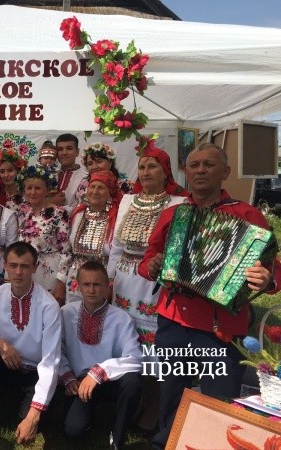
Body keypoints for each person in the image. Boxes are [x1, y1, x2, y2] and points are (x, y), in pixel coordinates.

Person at [137, 143, 281, 449]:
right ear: (186, 172)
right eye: (194, 165)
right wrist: (151, 266)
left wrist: (268, 280)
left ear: (225, 172)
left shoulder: (247, 214)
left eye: (209, 165)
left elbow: (273, 268)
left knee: (218, 398)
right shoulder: (174, 214)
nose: (200, 170)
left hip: (221, 328)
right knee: (171, 392)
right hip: (173, 321)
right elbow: (149, 257)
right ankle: (168, 443)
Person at [107, 146, 187, 432]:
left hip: (155, 283)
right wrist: (109, 279)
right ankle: (132, 397)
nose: (145, 172)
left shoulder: (179, 202)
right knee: (127, 340)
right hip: (124, 280)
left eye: (153, 166)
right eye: (142, 167)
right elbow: (117, 246)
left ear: (166, 172)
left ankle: (154, 404)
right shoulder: (128, 200)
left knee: (154, 345)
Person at [0, 242, 62, 449]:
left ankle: (31, 409)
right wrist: (0, 344)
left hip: (35, 374)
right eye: (13, 265)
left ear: (35, 267)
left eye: (25, 266)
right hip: (7, 365)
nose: (18, 272)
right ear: (5, 266)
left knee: (31, 421)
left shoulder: (49, 305)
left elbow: (51, 361)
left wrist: (34, 415)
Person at [60, 261, 142, 449]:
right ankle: (88, 415)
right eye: (86, 284)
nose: (91, 290)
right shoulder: (65, 313)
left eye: (97, 284)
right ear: (77, 286)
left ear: (107, 286)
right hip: (80, 382)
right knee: (74, 430)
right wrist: (67, 377)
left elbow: (135, 359)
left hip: (111, 380)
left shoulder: (121, 318)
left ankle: (118, 436)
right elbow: (58, 350)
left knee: (132, 382)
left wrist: (99, 372)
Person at [58, 170, 121, 304]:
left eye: (101, 188)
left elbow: (117, 255)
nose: (95, 191)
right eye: (92, 186)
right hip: (75, 281)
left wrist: (110, 284)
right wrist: (61, 280)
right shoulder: (77, 214)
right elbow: (67, 250)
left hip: (101, 283)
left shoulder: (116, 218)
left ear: (110, 192)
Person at [16, 165, 70, 303]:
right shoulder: (23, 212)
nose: (33, 192)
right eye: (29, 188)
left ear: (46, 190)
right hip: (26, 268)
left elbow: (66, 251)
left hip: (50, 270)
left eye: (38, 188)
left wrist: (61, 282)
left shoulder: (59, 213)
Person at [73, 142, 129, 208]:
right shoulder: (82, 187)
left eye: (99, 162)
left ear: (110, 162)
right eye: (90, 164)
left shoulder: (124, 186)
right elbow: (76, 209)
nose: (94, 167)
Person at [53, 133, 87, 209]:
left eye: (69, 148)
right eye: (60, 149)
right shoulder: (51, 175)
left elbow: (82, 207)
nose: (64, 153)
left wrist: (50, 204)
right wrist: (49, 202)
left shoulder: (85, 177)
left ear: (77, 152)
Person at [0, 144, 27, 212]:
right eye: (2, 171)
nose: (6, 175)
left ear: (18, 171)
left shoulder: (27, 195)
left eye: (10, 170)